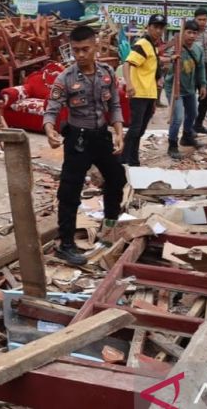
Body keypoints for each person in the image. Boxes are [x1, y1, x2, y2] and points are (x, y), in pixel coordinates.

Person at [44, 25, 126, 266]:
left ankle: (109, 228)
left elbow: (115, 106)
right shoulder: (65, 78)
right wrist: (49, 131)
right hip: (77, 140)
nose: (80, 55)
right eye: (76, 50)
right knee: (69, 191)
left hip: (102, 137)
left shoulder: (107, 73)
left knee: (117, 179)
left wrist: (119, 132)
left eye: (85, 49)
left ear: (96, 46)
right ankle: (66, 245)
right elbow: (51, 110)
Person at [121, 14, 164, 166]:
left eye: (161, 28)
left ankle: (133, 159)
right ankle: (122, 157)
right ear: (148, 27)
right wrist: (130, 84)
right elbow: (127, 64)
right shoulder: (143, 44)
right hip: (139, 92)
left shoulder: (153, 46)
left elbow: (153, 66)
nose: (158, 31)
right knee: (135, 128)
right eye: (155, 27)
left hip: (149, 93)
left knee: (140, 130)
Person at [164, 19, 206, 159]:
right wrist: (171, 59)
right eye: (189, 32)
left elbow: (201, 68)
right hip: (174, 88)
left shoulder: (198, 49)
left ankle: (187, 137)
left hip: (190, 88)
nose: (192, 36)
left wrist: (203, 84)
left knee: (193, 113)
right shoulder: (174, 47)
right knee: (178, 117)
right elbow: (162, 60)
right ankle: (172, 144)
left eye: (195, 33)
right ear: (183, 33)